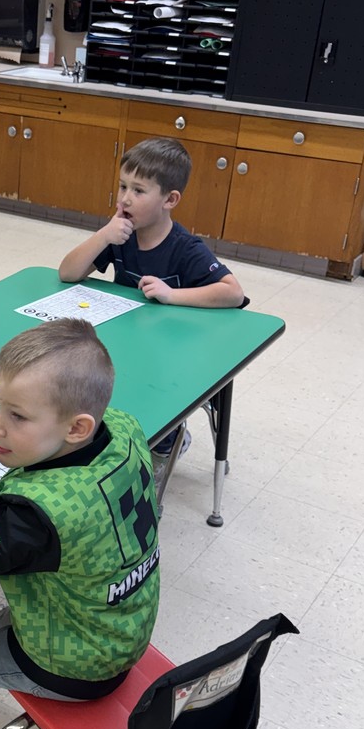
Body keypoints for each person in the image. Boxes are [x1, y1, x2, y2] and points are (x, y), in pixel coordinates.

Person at [0, 318, 160, 729]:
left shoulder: (36, 514)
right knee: (2, 619)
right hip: (127, 625)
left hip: (80, 668)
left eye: (17, 415)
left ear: (76, 428)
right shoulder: (124, 428)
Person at [58, 137, 245, 478]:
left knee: (154, 388)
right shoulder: (121, 235)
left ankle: (167, 442)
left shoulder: (185, 247)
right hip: (123, 343)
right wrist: (103, 235)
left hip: (167, 356)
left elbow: (232, 293)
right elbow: (67, 273)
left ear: (169, 200)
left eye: (139, 191)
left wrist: (172, 294)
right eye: (122, 186)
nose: (125, 198)